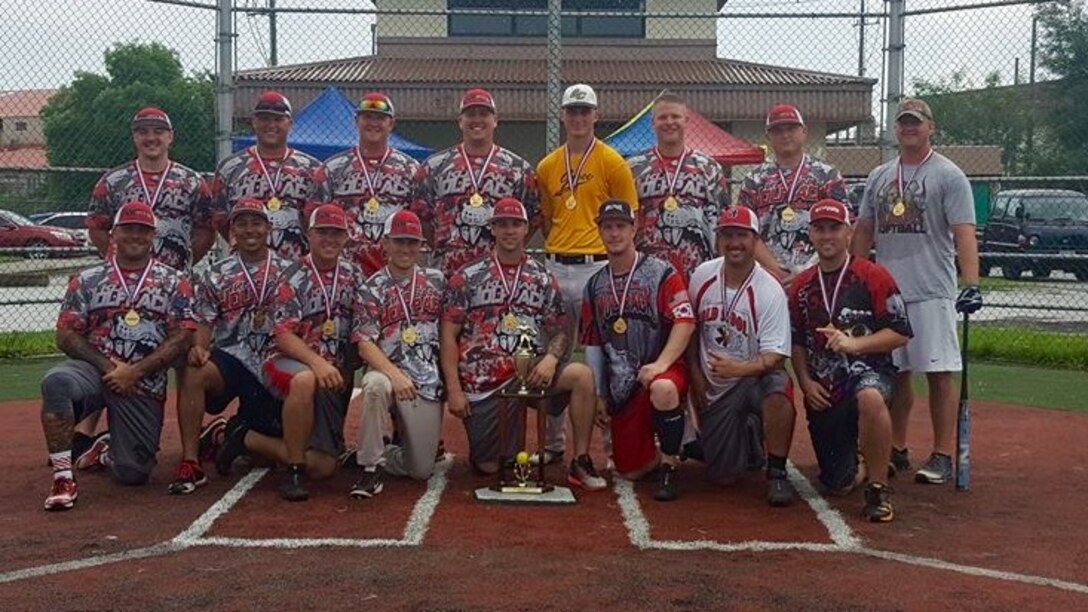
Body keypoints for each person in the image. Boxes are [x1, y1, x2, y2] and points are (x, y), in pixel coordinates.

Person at [852, 98, 982, 484]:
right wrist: (857, 275)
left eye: (916, 122)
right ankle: (896, 447)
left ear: (931, 127)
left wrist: (971, 283)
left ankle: (942, 453)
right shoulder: (880, 175)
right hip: (889, 290)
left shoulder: (949, 175)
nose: (908, 128)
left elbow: (964, 233)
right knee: (896, 373)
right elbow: (863, 229)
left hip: (931, 289)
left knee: (939, 372)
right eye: (902, 122)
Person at [440, 198, 606, 490]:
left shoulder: (540, 276)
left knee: (582, 376)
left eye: (516, 224)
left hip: (529, 374)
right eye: (502, 224)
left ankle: (580, 460)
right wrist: (454, 389)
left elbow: (559, 331)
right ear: (492, 229)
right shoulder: (467, 276)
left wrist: (551, 359)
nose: (509, 231)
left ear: (527, 228)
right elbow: (448, 333)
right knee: (490, 467)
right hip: (486, 383)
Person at [41, 201, 195, 510]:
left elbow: (183, 336)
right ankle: (63, 476)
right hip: (95, 372)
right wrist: (111, 368)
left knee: (134, 473)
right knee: (56, 382)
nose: (135, 236)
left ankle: (106, 447)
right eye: (128, 229)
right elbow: (66, 334)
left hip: (143, 382)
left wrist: (136, 371)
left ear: (153, 237)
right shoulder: (87, 279)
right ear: (114, 234)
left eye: (143, 230)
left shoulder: (174, 282)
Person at [215, 204, 365, 501]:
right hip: (289, 362)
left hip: (332, 368)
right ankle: (295, 468)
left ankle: (245, 437)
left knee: (324, 467)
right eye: (322, 232)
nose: (329, 239)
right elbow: (283, 335)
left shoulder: (354, 274)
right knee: (306, 379)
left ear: (347, 237)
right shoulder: (292, 274)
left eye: (337, 233)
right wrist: (318, 364)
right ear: (308, 234)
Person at [790, 199, 912, 522]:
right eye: (819, 229)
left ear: (849, 233)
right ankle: (863, 460)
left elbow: (900, 332)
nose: (827, 236)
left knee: (870, 397)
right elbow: (797, 341)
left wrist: (855, 344)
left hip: (870, 373)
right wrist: (805, 381)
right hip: (826, 388)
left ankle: (878, 488)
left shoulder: (873, 276)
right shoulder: (802, 286)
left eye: (834, 228)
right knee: (838, 484)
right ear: (811, 236)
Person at [535, 83, 639, 464]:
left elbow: (629, 220)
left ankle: (613, 448)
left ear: (596, 116)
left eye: (585, 111)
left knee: (609, 354)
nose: (578, 118)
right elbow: (548, 219)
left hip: (598, 265)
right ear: (562, 115)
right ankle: (553, 444)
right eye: (572, 111)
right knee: (554, 356)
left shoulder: (613, 162)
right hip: (558, 264)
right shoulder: (548, 166)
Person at [170, 198, 292, 495]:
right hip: (233, 358)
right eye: (242, 223)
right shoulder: (217, 272)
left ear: (269, 228)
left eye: (256, 223)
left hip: (275, 358)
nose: (250, 230)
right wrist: (199, 348)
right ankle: (190, 461)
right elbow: (204, 320)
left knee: (271, 454)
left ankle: (235, 433)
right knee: (194, 370)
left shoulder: (291, 270)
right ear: (232, 230)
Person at [581, 200, 695, 501]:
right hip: (624, 387)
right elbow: (592, 342)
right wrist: (600, 394)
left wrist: (662, 364)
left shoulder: (661, 273)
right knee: (631, 470)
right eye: (608, 227)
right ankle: (679, 441)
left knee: (665, 389)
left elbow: (685, 321)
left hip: (661, 369)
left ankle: (670, 464)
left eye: (621, 226)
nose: (615, 233)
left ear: (634, 229)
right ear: (600, 231)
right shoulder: (594, 285)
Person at [686, 206, 796, 506]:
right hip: (714, 386)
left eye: (742, 236)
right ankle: (748, 438)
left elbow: (776, 357)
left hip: (752, 378)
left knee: (778, 388)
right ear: (719, 239)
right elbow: (690, 329)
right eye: (727, 235)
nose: (734, 243)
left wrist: (739, 369)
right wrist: (695, 374)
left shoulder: (769, 289)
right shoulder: (702, 275)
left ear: (755, 240)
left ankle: (776, 472)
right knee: (723, 477)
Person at [351, 210, 445, 498]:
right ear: (386, 244)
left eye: (412, 242)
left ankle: (388, 450)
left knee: (420, 471)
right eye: (399, 241)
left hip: (427, 379)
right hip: (389, 372)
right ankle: (370, 467)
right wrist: (395, 375)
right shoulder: (371, 288)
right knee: (375, 385)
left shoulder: (438, 281)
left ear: (421, 245)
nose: (406, 248)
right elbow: (365, 343)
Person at [412, 88, 539, 279]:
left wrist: (507, 248)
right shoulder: (434, 167)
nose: (477, 119)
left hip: (498, 276)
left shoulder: (518, 169)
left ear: (495, 120)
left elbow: (533, 218)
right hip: (447, 273)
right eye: (470, 114)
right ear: (460, 121)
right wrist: (446, 247)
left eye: (484, 114)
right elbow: (421, 218)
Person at [88, 107, 216, 272]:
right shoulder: (113, 181)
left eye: (158, 132)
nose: (151, 138)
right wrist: (119, 259)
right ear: (134, 137)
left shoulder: (192, 182)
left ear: (170, 137)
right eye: (143, 132)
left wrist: (184, 262)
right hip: (125, 279)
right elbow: (97, 226)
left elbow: (206, 230)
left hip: (174, 281)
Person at [737, 103, 848, 286]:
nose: (785, 135)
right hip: (767, 276)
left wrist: (808, 270)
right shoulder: (754, 179)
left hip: (820, 273)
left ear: (804, 132)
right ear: (768, 137)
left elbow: (844, 227)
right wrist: (777, 272)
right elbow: (747, 232)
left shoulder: (827, 175)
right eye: (778, 130)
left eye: (791, 128)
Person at [317, 93, 422, 277]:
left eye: (380, 118)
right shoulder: (332, 169)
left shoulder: (410, 169)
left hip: (394, 269)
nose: (373, 123)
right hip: (345, 271)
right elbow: (314, 217)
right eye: (367, 117)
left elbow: (421, 218)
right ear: (356, 121)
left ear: (391, 123)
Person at [628, 92, 730, 277]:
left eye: (675, 116)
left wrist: (722, 272)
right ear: (653, 123)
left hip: (699, 270)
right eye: (662, 117)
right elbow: (626, 223)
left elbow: (723, 225)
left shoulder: (709, 167)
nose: (669, 122)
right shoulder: (634, 167)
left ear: (686, 121)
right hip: (647, 271)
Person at [212, 91, 322, 260]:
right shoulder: (230, 167)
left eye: (278, 119)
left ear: (290, 123)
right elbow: (220, 218)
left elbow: (317, 220)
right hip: (244, 267)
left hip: (296, 267)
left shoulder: (312, 168)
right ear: (254, 122)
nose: (271, 125)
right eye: (264, 119)